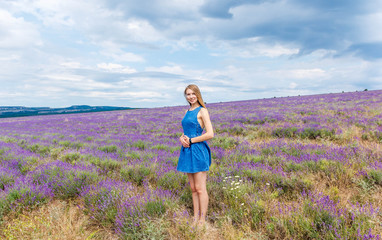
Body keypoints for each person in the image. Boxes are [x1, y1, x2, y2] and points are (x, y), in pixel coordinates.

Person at [177, 84, 214, 227]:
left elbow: (210, 134)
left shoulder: (202, 110)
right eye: (188, 94)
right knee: (193, 188)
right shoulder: (187, 111)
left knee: (200, 188)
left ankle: (202, 220)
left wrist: (191, 140)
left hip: (198, 150)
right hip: (187, 151)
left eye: (193, 93)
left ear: (198, 94)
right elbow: (186, 131)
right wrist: (182, 138)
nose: (191, 96)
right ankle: (195, 217)